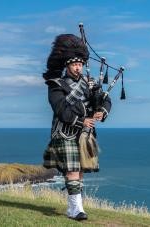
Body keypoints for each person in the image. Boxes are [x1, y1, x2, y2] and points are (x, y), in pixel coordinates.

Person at [42, 34, 111, 221]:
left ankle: (74, 208)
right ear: (67, 65)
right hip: (64, 133)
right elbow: (60, 110)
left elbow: (105, 101)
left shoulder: (90, 84)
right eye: (74, 64)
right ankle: (76, 209)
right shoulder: (56, 85)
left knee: (79, 171)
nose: (78, 67)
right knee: (72, 170)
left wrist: (102, 111)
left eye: (80, 64)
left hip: (84, 135)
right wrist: (82, 121)